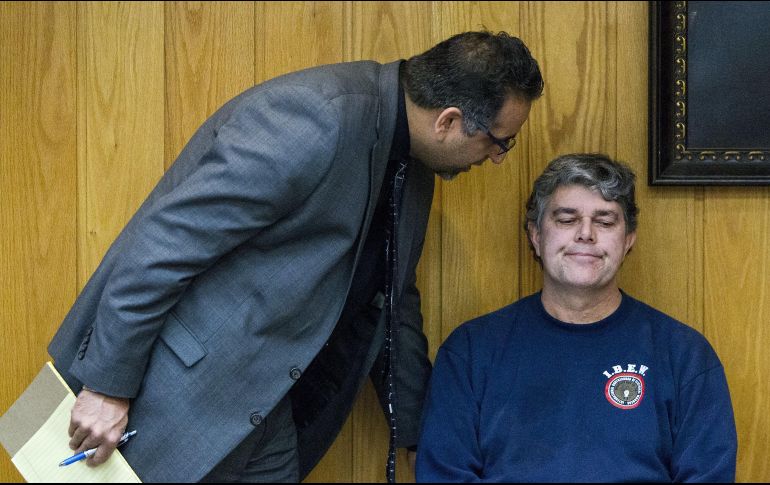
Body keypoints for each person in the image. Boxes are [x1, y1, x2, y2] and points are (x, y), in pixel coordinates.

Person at [46, 31, 544, 482]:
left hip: (265, 416)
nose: (497, 159)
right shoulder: (314, 118)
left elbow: (393, 301)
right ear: (449, 121)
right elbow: (162, 248)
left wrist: (413, 435)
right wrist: (107, 387)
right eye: (499, 142)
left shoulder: (415, 167)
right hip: (168, 398)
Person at [415, 153, 737, 482]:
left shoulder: (685, 355)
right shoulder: (471, 350)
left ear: (628, 240)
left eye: (605, 221)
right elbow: (444, 474)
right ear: (536, 235)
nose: (586, 234)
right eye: (567, 219)